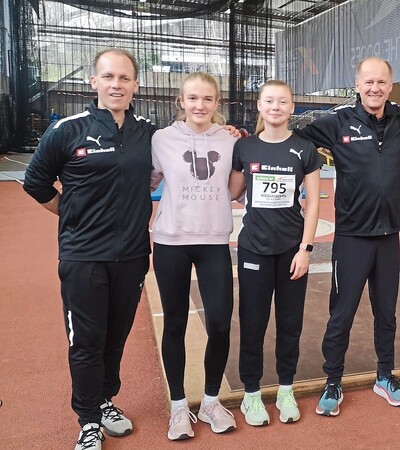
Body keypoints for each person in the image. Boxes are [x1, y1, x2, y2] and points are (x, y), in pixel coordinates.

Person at [23, 49, 154, 450]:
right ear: (93, 82)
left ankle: (103, 398)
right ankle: (88, 420)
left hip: (132, 256)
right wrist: (71, 216)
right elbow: (36, 183)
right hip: (83, 257)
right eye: (109, 77)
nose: (117, 84)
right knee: (86, 341)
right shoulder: (67, 130)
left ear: (135, 85)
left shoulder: (148, 131)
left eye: (125, 78)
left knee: (116, 337)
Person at [294, 57, 400, 416]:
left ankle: (385, 375)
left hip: (388, 236)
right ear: (357, 84)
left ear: (390, 86)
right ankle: (333, 380)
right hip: (351, 236)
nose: (375, 88)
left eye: (382, 82)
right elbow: (296, 140)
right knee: (342, 313)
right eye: (368, 82)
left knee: (387, 313)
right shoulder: (338, 120)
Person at [149, 72, 237, 440]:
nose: (200, 105)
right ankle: (179, 408)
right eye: (192, 98)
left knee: (219, 322)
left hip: (214, 239)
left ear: (217, 103)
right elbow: (149, 180)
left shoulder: (231, 140)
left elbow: (235, 186)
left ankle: (212, 401)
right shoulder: (161, 139)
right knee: (175, 324)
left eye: (208, 99)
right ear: (180, 102)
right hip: (171, 241)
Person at [230, 80, 321, 425]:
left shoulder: (303, 149)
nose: (276, 107)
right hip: (253, 248)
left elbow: (312, 203)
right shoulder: (245, 147)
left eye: (283, 102)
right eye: (269, 101)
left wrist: (305, 249)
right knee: (253, 324)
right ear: (259, 105)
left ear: (292, 107)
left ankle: (286, 388)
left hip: (291, 252)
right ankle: (251, 394)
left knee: (290, 325)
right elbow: (232, 192)